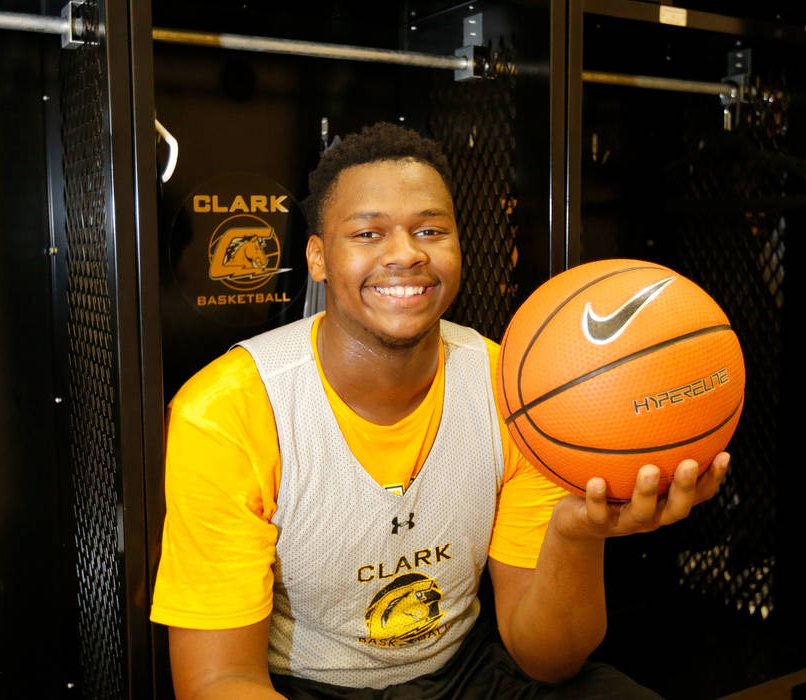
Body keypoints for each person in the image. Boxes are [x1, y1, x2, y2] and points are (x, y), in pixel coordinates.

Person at [150, 122, 730, 699]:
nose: (406, 254)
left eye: (430, 230)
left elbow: (547, 661)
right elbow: (219, 680)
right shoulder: (228, 411)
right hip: (305, 686)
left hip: (464, 674)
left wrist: (576, 536)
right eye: (369, 234)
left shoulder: (518, 391)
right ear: (318, 258)